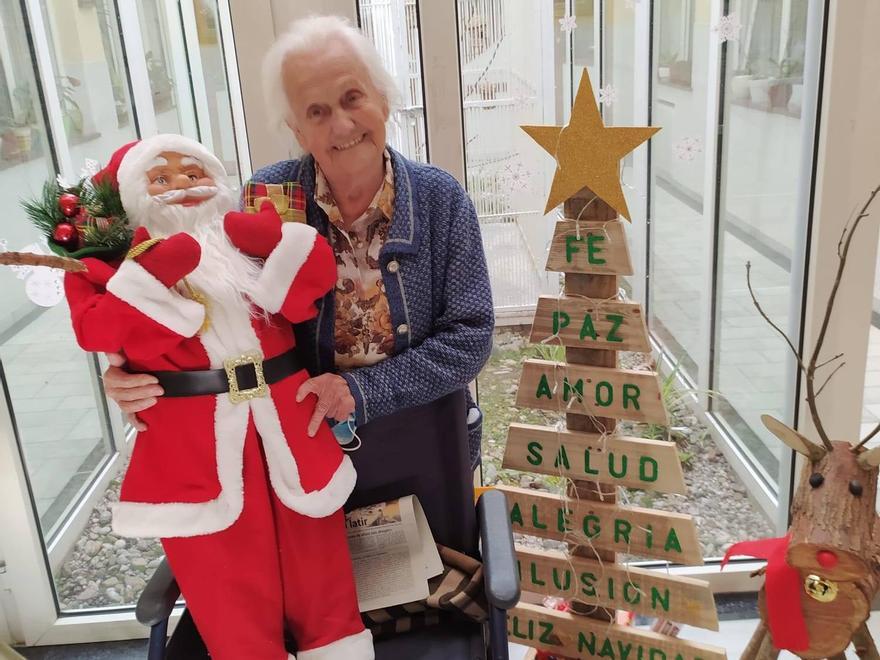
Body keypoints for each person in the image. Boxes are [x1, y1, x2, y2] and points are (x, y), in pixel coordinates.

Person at [102, 15, 494, 471]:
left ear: (383, 100)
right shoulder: (265, 199)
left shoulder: (439, 198)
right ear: (297, 132)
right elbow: (213, 315)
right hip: (304, 446)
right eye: (317, 112)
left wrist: (361, 391)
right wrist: (133, 370)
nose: (342, 125)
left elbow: (471, 336)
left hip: (426, 436)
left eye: (353, 98)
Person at [66, 134, 372, 660]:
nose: (182, 187)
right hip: (192, 445)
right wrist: (158, 272)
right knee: (226, 583)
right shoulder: (113, 264)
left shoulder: (240, 239)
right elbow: (102, 332)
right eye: (160, 179)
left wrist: (274, 240)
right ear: (134, 196)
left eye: (192, 173)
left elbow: (308, 290)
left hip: (288, 427)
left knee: (319, 572)